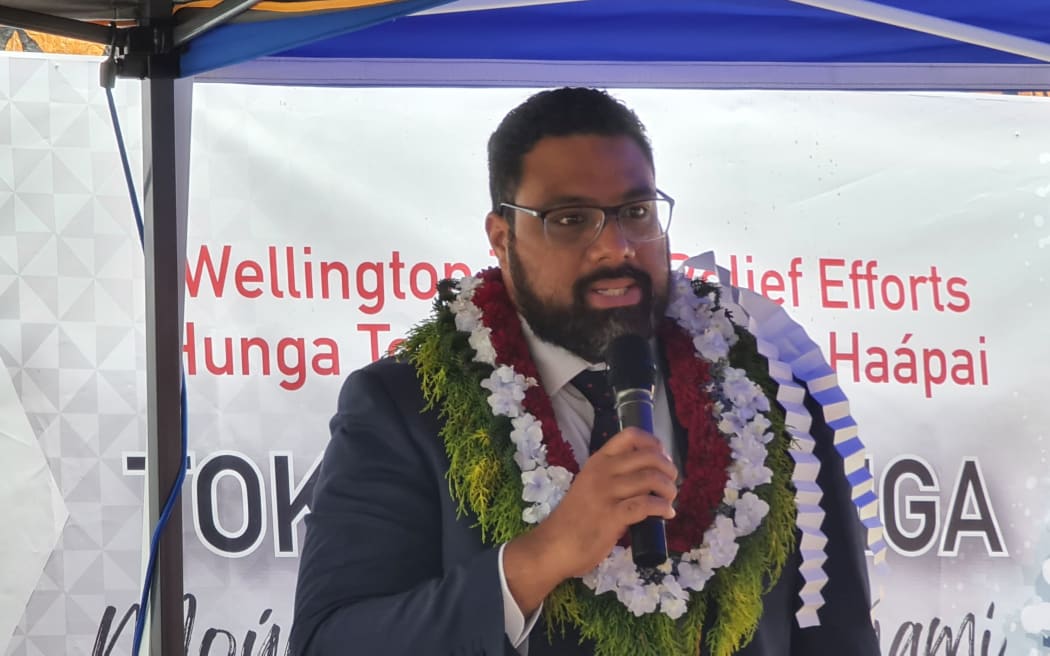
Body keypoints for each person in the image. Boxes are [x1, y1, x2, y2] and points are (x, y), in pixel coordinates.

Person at [290, 88, 880, 656]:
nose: (615, 247)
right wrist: (542, 557)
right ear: (501, 237)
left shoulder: (773, 392)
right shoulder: (404, 407)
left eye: (636, 211)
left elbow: (840, 635)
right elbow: (331, 641)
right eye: (570, 219)